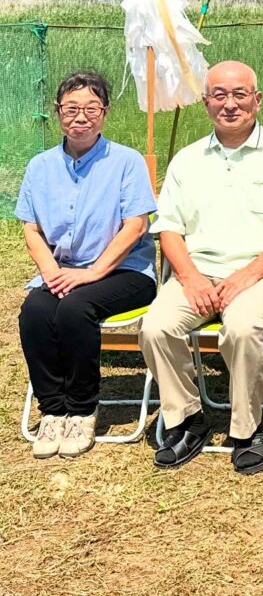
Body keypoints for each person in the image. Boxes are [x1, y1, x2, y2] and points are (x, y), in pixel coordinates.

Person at [139, 60, 263, 474]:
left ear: (257, 100)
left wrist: (248, 274)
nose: (230, 104)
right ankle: (187, 420)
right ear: (206, 103)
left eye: (240, 94)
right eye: (219, 95)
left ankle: (246, 429)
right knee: (155, 327)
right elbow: (168, 230)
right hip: (197, 274)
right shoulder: (187, 161)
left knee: (242, 328)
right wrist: (189, 277)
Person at [17, 71, 157, 459]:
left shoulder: (126, 162)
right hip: (63, 270)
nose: (81, 117)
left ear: (105, 112)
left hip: (125, 271)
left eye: (91, 108)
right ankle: (52, 408)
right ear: (58, 112)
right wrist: (50, 272)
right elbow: (31, 228)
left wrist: (93, 273)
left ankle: (81, 408)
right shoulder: (40, 167)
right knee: (35, 310)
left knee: (77, 308)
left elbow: (137, 225)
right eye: (72, 108)